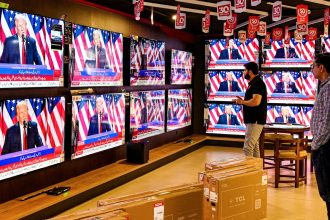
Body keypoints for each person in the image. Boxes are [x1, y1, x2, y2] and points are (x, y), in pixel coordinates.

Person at [310, 53, 330, 218]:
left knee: (328, 192)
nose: (312, 69)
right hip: (323, 146)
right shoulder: (324, 86)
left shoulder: (329, 87)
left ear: (321, 67)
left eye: (313, 66)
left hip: (325, 148)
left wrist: (316, 143)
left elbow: (327, 121)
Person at [234, 62, 267, 157]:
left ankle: (249, 170)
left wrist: (242, 102)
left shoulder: (258, 83)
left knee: (248, 147)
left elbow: (256, 102)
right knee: (254, 146)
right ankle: (257, 170)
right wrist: (243, 101)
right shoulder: (253, 83)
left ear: (250, 71)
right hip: (253, 120)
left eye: (245, 70)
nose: (243, 72)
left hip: (255, 120)